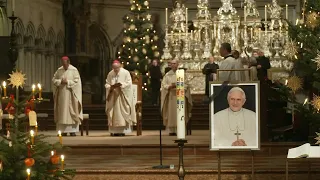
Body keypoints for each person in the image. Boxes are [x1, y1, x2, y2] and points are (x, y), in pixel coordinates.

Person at [52, 56, 83, 136]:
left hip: (71, 95)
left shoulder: (74, 70)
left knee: (71, 111)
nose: (64, 66)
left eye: (65, 64)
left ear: (68, 62)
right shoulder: (59, 70)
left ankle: (72, 131)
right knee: (62, 111)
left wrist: (68, 82)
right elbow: (54, 80)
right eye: (62, 64)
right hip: (61, 95)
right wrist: (60, 82)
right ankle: (62, 131)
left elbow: (77, 82)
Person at [161, 59, 193, 136]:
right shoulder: (167, 75)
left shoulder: (182, 74)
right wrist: (169, 86)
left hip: (180, 96)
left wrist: (178, 86)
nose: (173, 65)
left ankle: (181, 129)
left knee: (180, 112)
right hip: (171, 96)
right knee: (172, 113)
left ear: (178, 64)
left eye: (174, 63)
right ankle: (172, 130)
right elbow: (163, 85)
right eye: (171, 64)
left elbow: (187, 85)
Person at [105, 60, 136, 136]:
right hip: (113, 96)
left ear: (120, 66)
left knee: (122, 112)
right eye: (114, 68)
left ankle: (122, 131)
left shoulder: (125, 73)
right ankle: (114, 131)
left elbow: (129, 83)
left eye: (117, 68)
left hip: (122, 96)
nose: (115, 70)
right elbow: (107, 83)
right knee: (113, 112)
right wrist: (110, 87)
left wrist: (121, 85)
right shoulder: (110, 73)